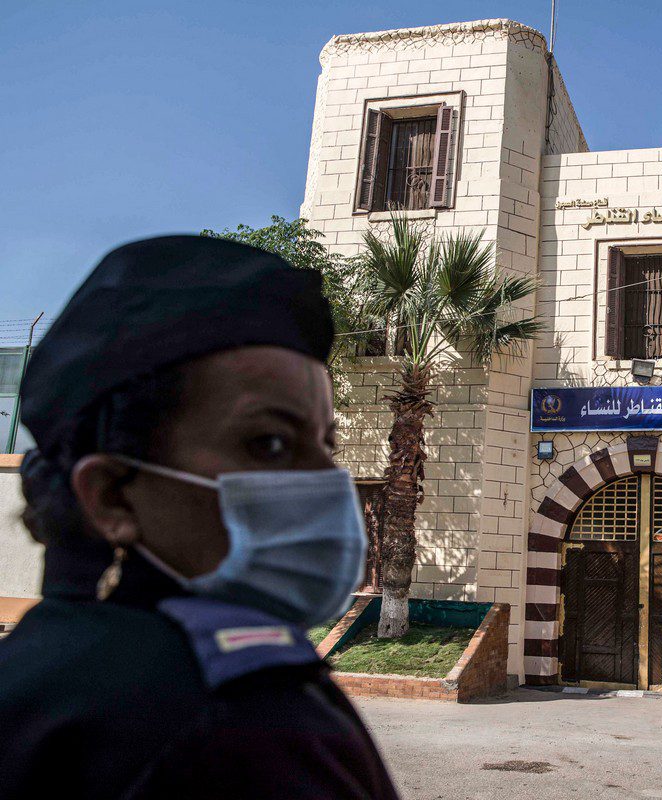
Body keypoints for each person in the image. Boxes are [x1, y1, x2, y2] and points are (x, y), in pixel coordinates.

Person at [0, 236, 400, 799]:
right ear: (112, 496)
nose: (325, 480)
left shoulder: (35, 662)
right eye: (269, 444)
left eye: (325, 443)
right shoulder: (236, 725)